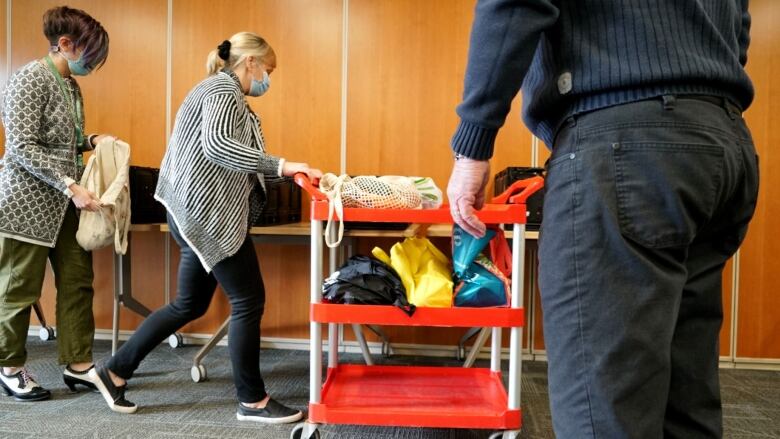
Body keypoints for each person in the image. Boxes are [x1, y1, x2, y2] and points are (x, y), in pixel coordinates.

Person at [447, 1, 759, 437]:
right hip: (721, 141)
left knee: (607, 409)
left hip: (624, 146)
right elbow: (738, 22)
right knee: (685, 400)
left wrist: (474, 143)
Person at [90, 32, 321, 424]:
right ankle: (252, 401)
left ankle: (114, 371)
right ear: (251, 63)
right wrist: (283, 165)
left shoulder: (218, 90)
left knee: (189, 304)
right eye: (269, 69)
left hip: (188, 212)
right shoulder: (222, 89)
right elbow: (217, 146)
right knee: (249, 300)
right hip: (206, 216)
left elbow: (224, 150)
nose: (268, 78)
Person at [0, 6, 111, 402]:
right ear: (65, 44)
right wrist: (69, 185)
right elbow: (22, 147)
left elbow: (62, 141)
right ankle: (9, 367)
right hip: (26, 203)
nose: (93, 64)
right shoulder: (30, 79)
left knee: (78, 281)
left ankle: (78, 363)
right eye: (91, 54)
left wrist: (90, 140)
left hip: (65, 204)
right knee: (19, 288)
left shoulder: (71, 85)